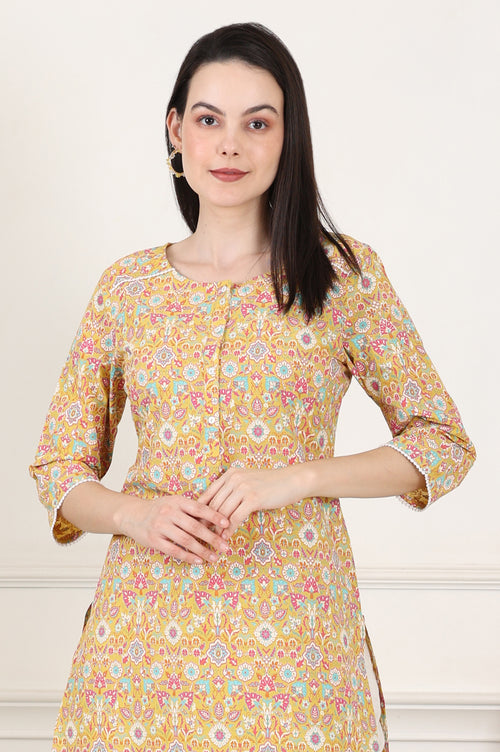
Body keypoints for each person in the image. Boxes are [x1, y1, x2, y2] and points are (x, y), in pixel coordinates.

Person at [30, 22, 475, 752]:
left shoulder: (341, 276)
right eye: (209, 120)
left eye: (257, 123)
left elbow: (442, 443)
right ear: (176, 131)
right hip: (141, 645)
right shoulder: (128, 289)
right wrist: (136, 516)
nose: (230, 145)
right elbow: (58, 470)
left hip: (295, 644)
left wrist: (297, 478)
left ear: (288, 137)